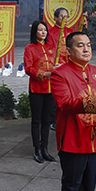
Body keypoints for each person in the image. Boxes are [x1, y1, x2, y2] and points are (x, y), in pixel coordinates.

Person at [50, 32, 96, 191]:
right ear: (68, 51)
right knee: (72, 185)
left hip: (95, 138)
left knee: (89, 184)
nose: (86, 48)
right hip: (73, 139)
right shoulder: (59, 74)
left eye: (88, 44)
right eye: (80, 45)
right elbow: (64, 104)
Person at [23, 20, 57, 163]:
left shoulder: (52, 47)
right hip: (37, 89)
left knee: (47, 120)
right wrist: (44, 73)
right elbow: (28, 68)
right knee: (36, 120)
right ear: (35, 32)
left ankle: (45, 149)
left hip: (50, 89)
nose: (43, 32)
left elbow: (58, 63)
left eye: (45, 30)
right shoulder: (30, 48)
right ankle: (37, 149)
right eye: (40, 30)